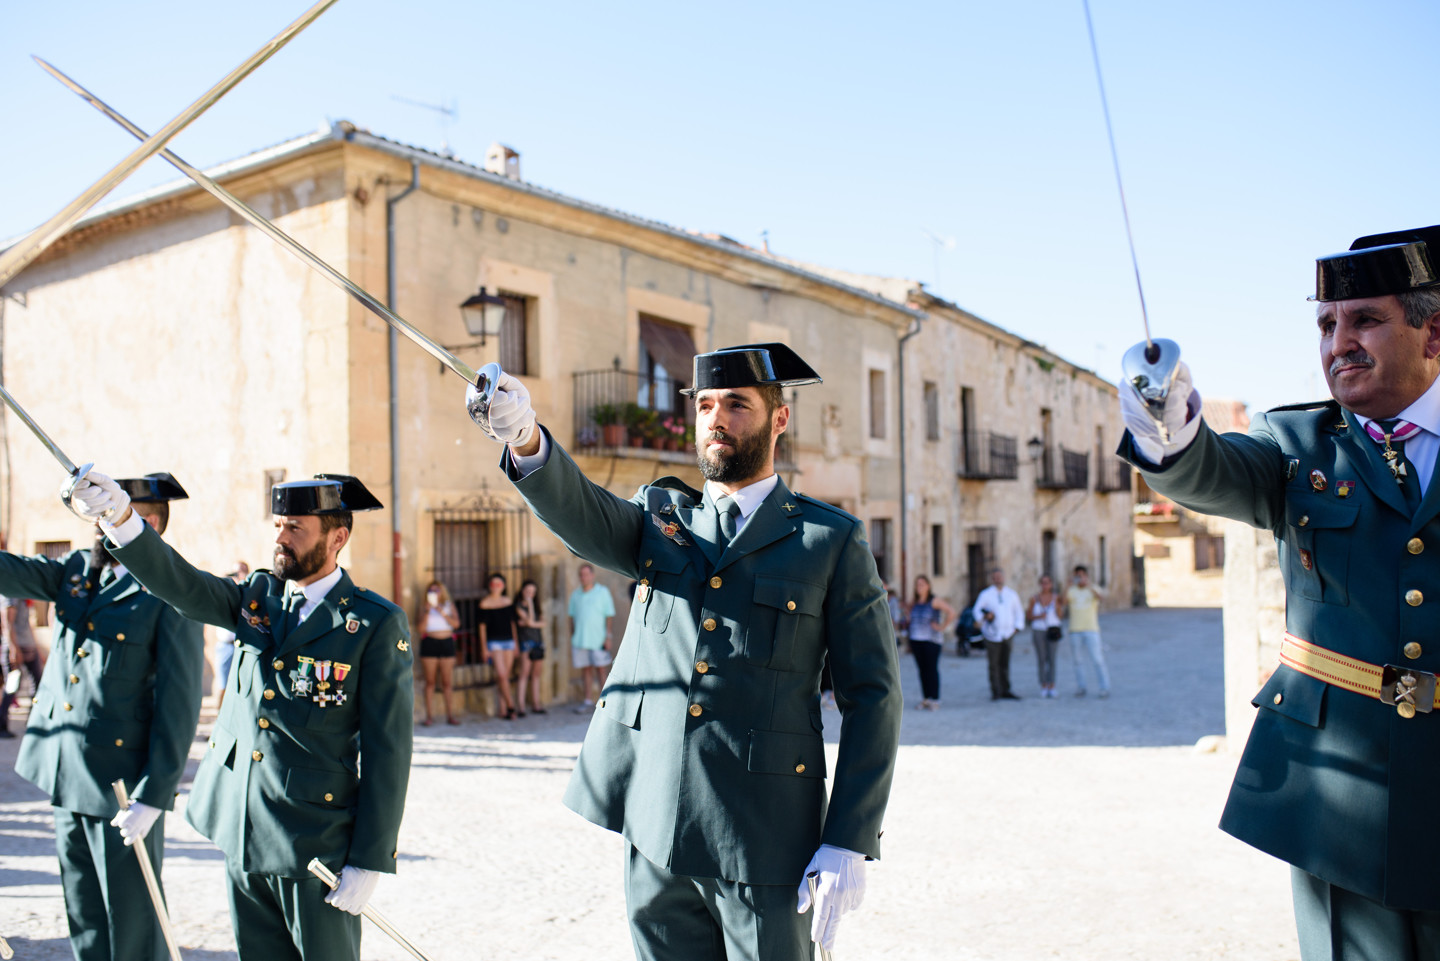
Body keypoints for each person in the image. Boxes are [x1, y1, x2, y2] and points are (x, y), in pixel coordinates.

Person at [470, 342, 903, 959]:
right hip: (654, 825)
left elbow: (874, 696)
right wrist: (525, 437)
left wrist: (848, 836)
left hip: (765, 837)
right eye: (704, 405)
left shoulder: (827, 541)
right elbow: (586, 516)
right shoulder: (663, 518)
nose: (717, 419)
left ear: (779, 418)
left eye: (736, 404)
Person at [1116, 225, 1440, 960]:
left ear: (1433, 331)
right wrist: (1168, 432)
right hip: (1342, 795)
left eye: (1364, 320)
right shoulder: (1299, 446)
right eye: (1327, 324)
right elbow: (1213, 471)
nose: (1338, 343)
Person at [69, 471, 413, 961]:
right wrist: (121, 519)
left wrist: (370, 859)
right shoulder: (259, 596)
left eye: (295, 528)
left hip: (312, 843)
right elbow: (181, 584)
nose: (280, 537)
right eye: (277, 525)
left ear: (337, 538)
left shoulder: (373, 623)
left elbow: (388, 751)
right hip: (241, 829)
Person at [7, 473, 203, 961]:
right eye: (94, 516)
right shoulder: (76, 571)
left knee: (132, 917)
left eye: (108, 515)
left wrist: (155, 794)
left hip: (120, 784)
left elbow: (179, 704)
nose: (97, 527)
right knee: (84, 912)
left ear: (148, 523)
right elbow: (9, 572)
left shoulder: (169, 590)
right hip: (64, 770)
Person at [566, 563, 614, 712]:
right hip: (581, 640)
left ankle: (606, 702)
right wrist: (574, 635)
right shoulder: (575, 594)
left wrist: (608, 637)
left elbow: (609, 615)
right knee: (585, 670)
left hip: (598, 639)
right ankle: (587, 701)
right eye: (581, 574)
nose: (584, 577)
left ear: (592, 575)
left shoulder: (603, 592)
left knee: (601, 670)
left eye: (587, 574)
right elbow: (571, 617)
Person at [972, 567, 1024, 700]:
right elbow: (977, 611)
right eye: (995, 577)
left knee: (1005, 664)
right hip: (992, 635)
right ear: (992, 579)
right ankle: (995, 691)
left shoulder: (1011, 594)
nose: (998, 579)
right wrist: (984, 618)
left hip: (1007, 634)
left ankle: (1006, 689)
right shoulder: (986, 594)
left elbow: (1018, 612)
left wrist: (1017, 628)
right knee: (993, 664)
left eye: (999, 576)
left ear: (1003, 577)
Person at [906, 574, 955, 710]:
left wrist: (942, 627)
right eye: (917, 584)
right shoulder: (914, 602)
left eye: (922, 584)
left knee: (931, 669)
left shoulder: (934, 601)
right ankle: (926, 698)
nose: (919, 587)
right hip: (916, 640)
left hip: (931, 640)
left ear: (928, 586)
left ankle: (935, 699)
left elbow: (951, 612)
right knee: (922, 670)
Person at [417, 579, 461, 726]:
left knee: (447, 682)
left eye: (437, 590)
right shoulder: (424, 608)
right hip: (430, 643)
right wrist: (428, 611)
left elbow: (456, 624)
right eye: (431, 591)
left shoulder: (449, 606)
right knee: (430, 682)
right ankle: (429, 716)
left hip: (447, 643)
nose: (434, 593)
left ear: (442, 592)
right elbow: (421, 629)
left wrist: (441, 612)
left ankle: (450, 714)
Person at [0, 593, 44, 737]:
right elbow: (7, 623)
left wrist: (36, 647)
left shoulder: (23, 595)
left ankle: (34, 720)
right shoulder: (10, 595)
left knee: (38, 683)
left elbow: (28, 623)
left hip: (28, 645)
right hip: (16, 647)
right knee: (12, 685)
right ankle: (2, 725)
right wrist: (14, 649)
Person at [478, 573, 520, 719]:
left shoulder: (507, 601)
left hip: (509, 641)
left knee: (505, 677)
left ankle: (503, 709)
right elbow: (482, 628)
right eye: (493, 584)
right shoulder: (484, 603)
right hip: (494, 642)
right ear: (489, 586)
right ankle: (511, 706)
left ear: (504, 586)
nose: (496, 587)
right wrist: (484, 648)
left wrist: (516, 644)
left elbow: (512, 624)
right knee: (502, 675)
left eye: (499, 584)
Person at [1063, 566, 1109, 698]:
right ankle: (1081, 686)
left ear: (1087, 576)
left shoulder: (1093, 589)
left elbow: (1102, 599)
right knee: (1077, 660)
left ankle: (1104, 687)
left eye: (1083, 575)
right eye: (1078, 575)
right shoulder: (1071, 590)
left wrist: (1089, 586)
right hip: (1075, 629)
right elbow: (1063, 602)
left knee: (1097, 659)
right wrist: (1067, 586)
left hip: (1091, 629)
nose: (1080, 577)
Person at [213, 560, 249, 713]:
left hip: (243, 645)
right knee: (223, 683)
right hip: (226, 645)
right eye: (235, 572)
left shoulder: (250, 593)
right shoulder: (225, 591)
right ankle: (219, 714)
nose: (238, 575)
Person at [1026, 574, 1065, 698]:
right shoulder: (1034, 598)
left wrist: (1058, 606)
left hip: (1052, 629)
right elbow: (1028, 616)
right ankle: (1043, 684)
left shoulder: (1056, 598)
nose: (1045, 585)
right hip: (1038, 630)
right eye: (1043, 582)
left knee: (1052, 658)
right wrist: (1038, 616)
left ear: (1051, 584)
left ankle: (1052, 685)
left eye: (1047, 582)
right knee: (1041, 659)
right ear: (1040, 584)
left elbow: (1060, 616)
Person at [515, 578, 546, 715]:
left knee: (536, 674)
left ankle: (536, 704)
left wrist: (531, 622)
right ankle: (521, 706)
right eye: (528, 591)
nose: (530, 595)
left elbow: (542, 623)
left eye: (533, 593)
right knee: (524, 674)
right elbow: (530, 621)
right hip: (526, 643)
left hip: (538, 642)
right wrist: (529, 605)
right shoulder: (518, 606)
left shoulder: (537, 606)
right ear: (522, 591)